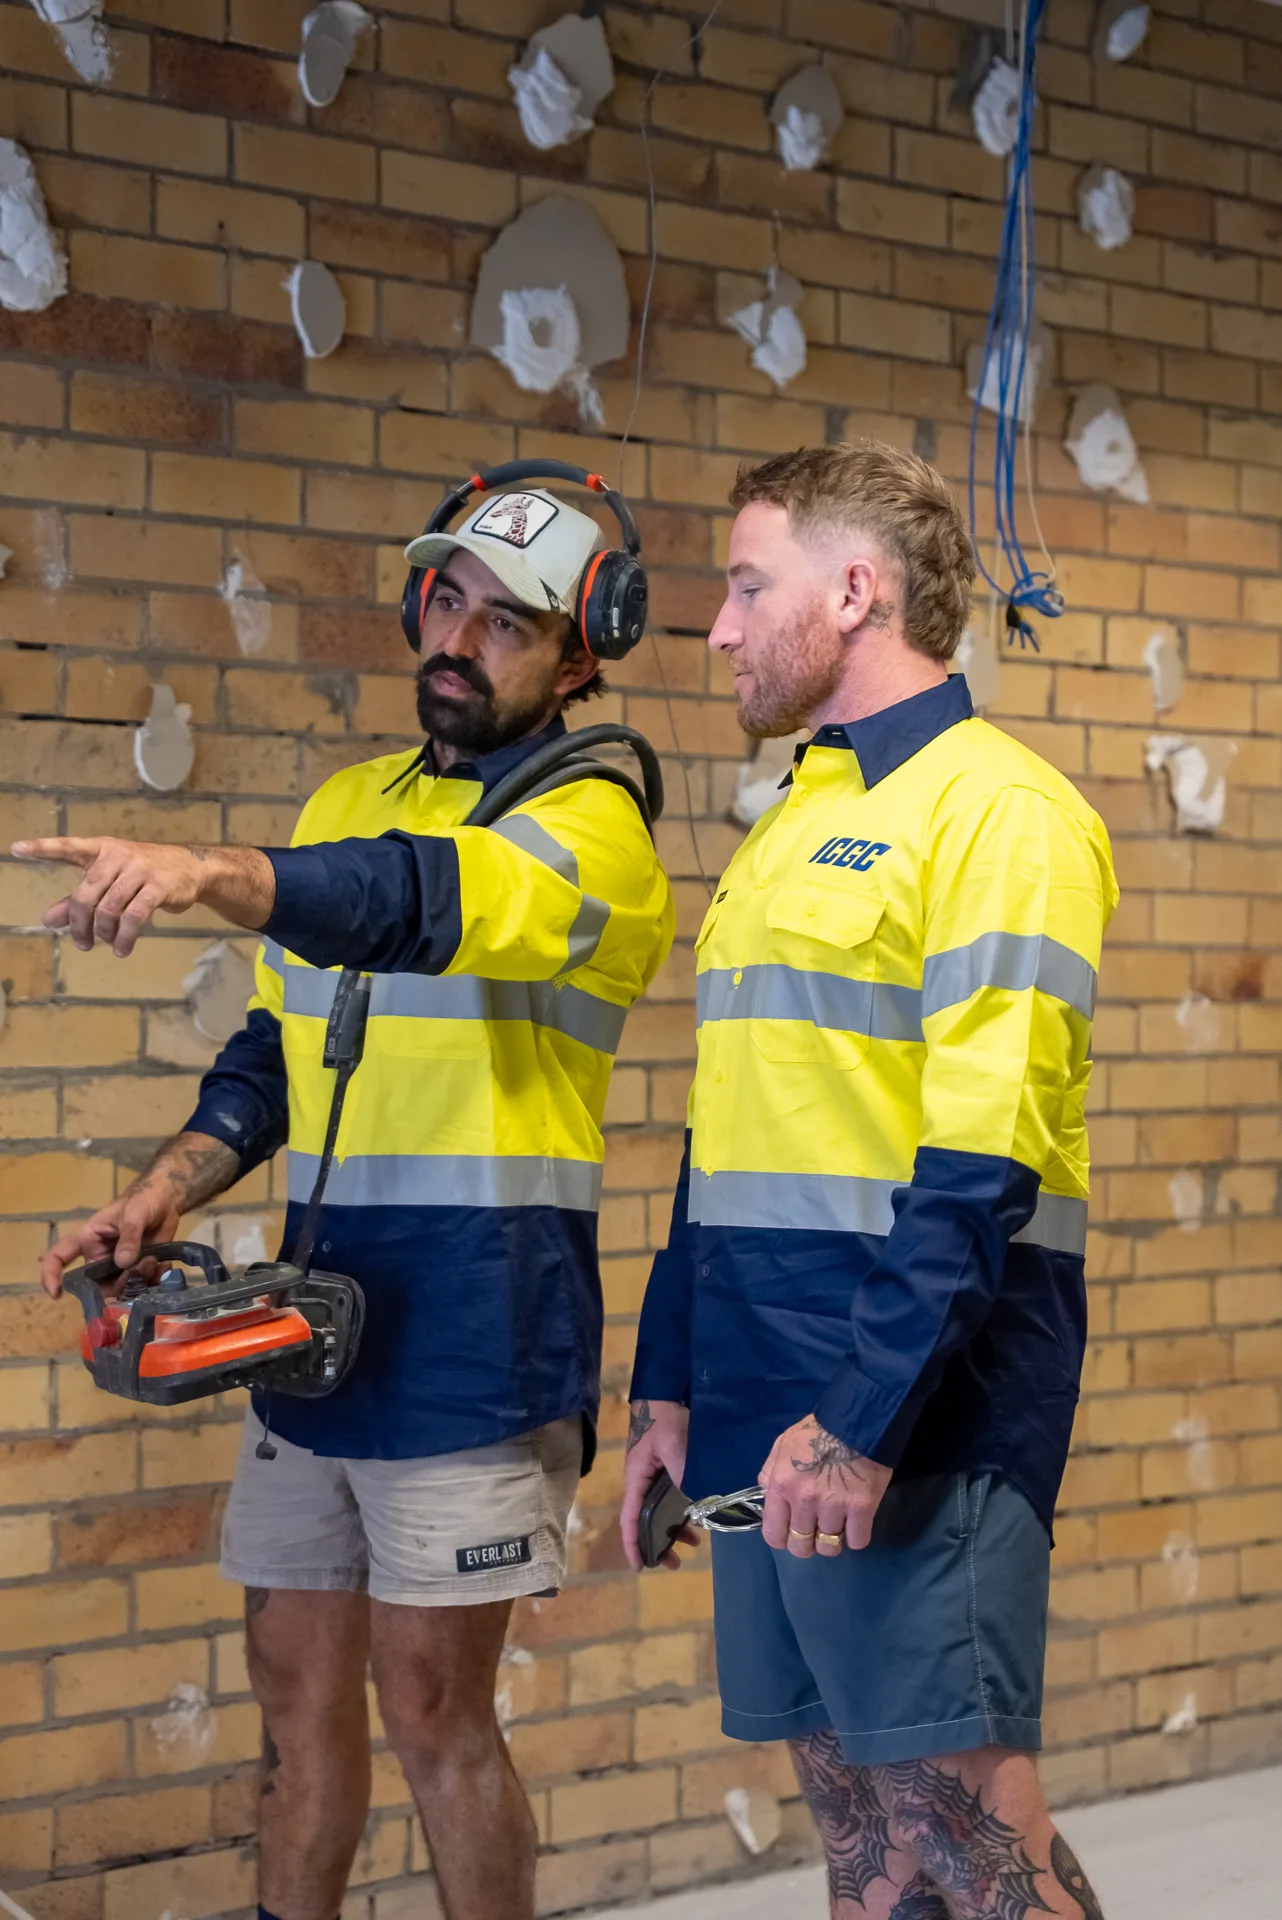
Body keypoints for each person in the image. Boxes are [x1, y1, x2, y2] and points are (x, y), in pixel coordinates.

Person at [17, 483, 674, 1920]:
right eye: (446, 601)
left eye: (509, 621)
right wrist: (167, 1187)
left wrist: (207, 870)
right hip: (312, 1335)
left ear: (579, 659)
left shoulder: (596, 832)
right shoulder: (348, 803)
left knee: (436, 1711)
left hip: (474, 1345)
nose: (460, 637)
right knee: (291, 1696)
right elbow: (274, 1049)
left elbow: (418, 902)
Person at [621, 442, 1117, 1920]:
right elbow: (728, 1138)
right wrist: (671, 1384)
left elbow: (981, 1163)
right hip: (761, 1393)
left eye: (743, 582)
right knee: (861, 1833)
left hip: (910, 1407)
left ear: (854, 590)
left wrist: (858, 1424)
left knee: (967, 1834)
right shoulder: (789, 822)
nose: (714, 627)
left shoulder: (997, 814)